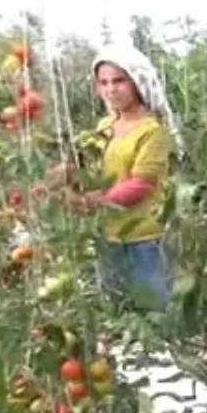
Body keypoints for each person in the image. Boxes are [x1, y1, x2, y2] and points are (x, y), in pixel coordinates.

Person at [83, 44, 181, 310]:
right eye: (103, 83)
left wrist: (96, 201)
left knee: (155, 312)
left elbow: (141, 184)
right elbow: (92, 169)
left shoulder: (152, 131)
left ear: (136, 81)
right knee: (118, 312)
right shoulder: (104, 128)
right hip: (110, 236)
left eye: (119, 81)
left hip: (146, 238)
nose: (111, 89)